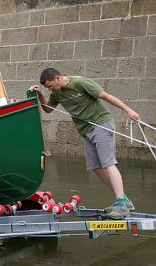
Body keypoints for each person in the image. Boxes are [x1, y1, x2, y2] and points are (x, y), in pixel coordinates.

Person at [29, 68, 140, 219]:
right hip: (86, 130)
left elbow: (105, 96)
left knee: (108, 163)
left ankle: (120, 203)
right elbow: (48, 109)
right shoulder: (56, 93)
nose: (50, 89)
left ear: (57, 78)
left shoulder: (80, 82)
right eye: (47, 88)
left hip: (101, 124)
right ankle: (125, 200)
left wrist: (129, 110)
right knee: (96, 167)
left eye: (50, 86)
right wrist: (40, 95)